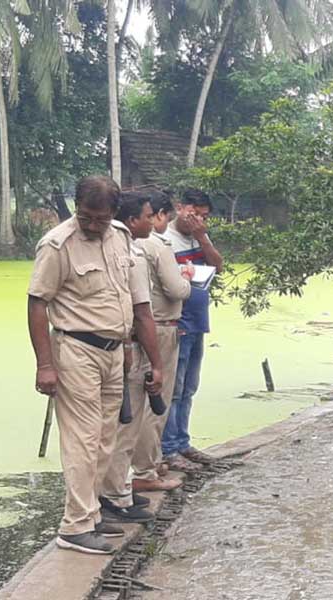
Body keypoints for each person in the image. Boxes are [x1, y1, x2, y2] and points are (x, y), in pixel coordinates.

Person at [27, 176, 160, 554]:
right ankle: (75, 527)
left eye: (99, 218)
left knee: (105, 438)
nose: (90, 225)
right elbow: (37, 303)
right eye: (85, 216)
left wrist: (127, 346)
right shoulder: (57, 245)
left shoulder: (120, 236)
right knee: (82, 440)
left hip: (113, 352)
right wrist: (45, 365)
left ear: (114, 214)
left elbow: (124, 297)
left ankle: (93, 514)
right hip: (76, 351)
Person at [101, 191, 187, 521]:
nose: (153, 222)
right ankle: (116, 491)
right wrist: (155, 361)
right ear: (132, 220)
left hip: (121, 342)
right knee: (129, 418)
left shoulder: (123, 250)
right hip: (131, 342)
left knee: (124, 420)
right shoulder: (138, 252)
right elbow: (143, 312)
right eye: (149, 216)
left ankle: (118, 489)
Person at [130, 190, 193, 490]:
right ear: (158, 215)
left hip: (136, 329)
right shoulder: (157, 246)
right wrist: (188, 277)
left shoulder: (130, 245)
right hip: (161, 326)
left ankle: (151, 462)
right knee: (157, 401)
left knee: (141, 400)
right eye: (164, 216)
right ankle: (146, 471)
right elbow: (176, 290)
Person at [161, 189, 223, 472]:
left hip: (198, 320)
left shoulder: (199, 237)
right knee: (173, 388)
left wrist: (201, 236)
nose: (198, 219)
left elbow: (217, 266)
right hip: (177, 322)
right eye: (194, 213)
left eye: (204, 216)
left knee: (189, 387)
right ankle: (169, 448)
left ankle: (183, 442)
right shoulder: (164, 240)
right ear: (179, 207)